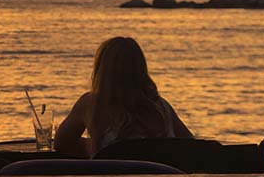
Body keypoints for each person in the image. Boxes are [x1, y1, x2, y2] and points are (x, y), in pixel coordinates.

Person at [54, 36, 193, 158]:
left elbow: (62, 143)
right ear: (141, 69)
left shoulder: (91, 104)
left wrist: (97, 149)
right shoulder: (161, 107)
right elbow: (190, 145)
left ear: (102, 70)